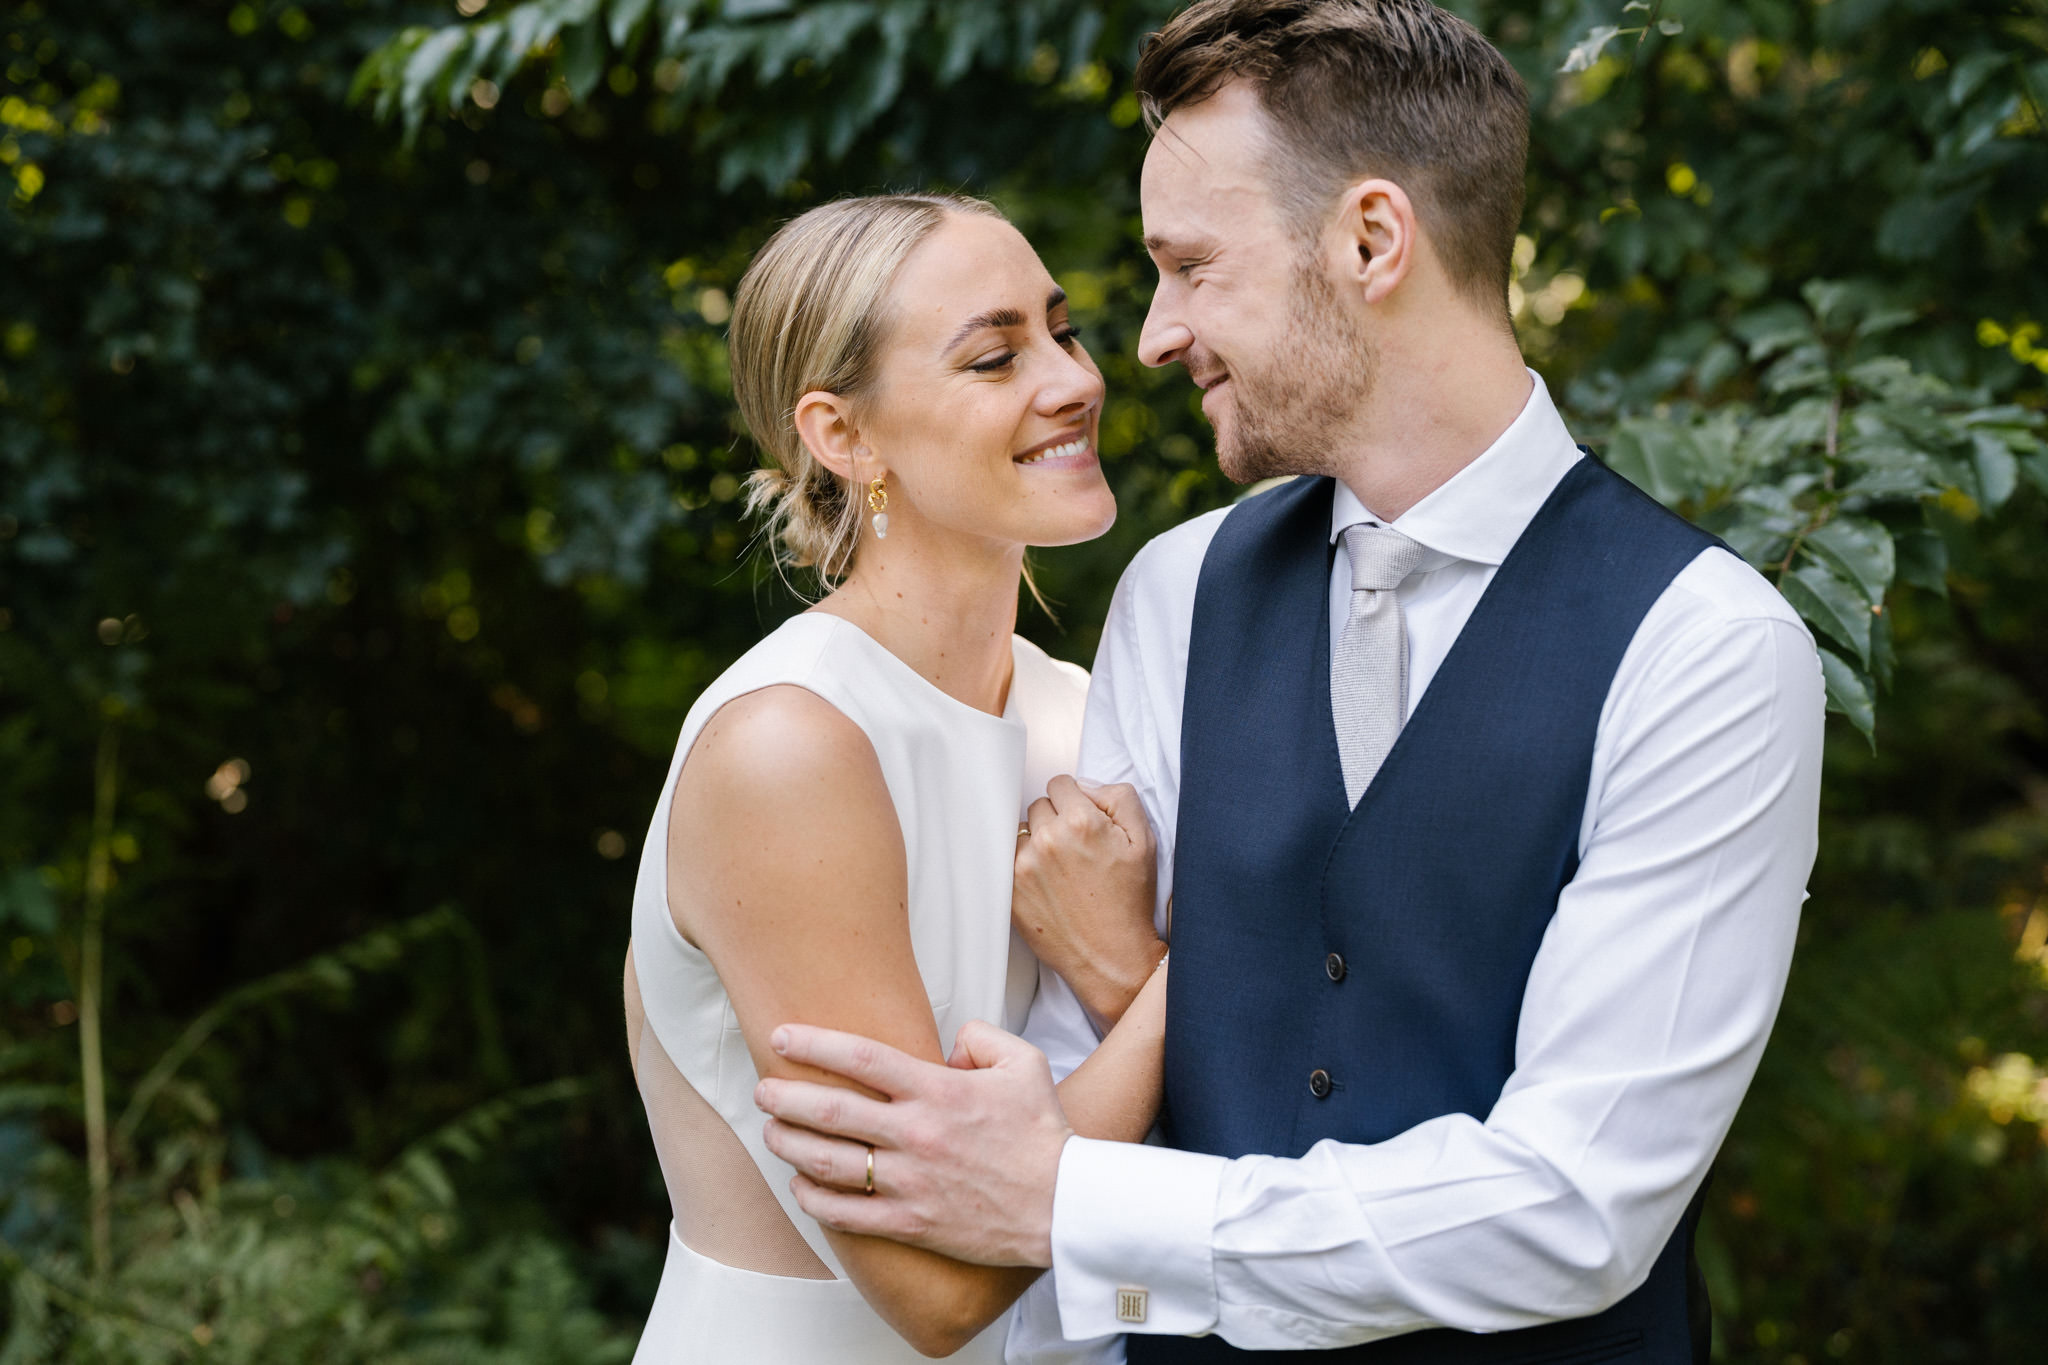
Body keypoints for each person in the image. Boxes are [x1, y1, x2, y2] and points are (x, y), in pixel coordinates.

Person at [752, 3, 1826, 1363]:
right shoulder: (1177, 591)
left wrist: (1080, 1192)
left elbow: (1574, 1206)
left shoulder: (1707, 648)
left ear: (1371, 241)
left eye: (1191, 267)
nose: (1151, 338)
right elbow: (1072, 1083)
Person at [621, 192, 1172, 1363]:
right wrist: (1202, 973)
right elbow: (937, 1284)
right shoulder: (788, 747)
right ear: (844, 436)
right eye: (993, 357)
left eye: (1062, 331)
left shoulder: (1085, 715)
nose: (1074, 380)